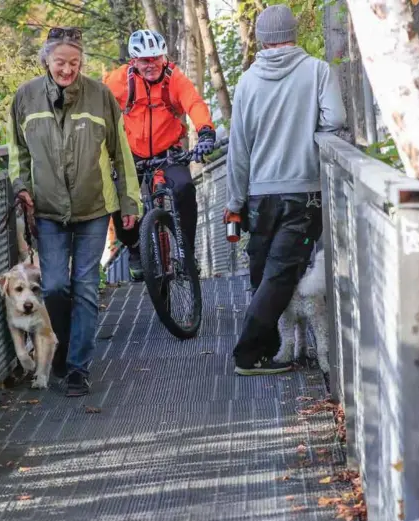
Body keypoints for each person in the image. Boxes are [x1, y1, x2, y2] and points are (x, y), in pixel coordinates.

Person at [7, 27, 141, 396]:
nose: (67, 69)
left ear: (82, 63)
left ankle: (78, 367)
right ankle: (62, 350)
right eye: (60, 62)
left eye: (75, 63)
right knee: (53, 286)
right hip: (48, 210)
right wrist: (21, 187)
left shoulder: (100, 96)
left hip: (94, 207)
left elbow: (121, 153)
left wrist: (130, 202)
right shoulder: (25, 97)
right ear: (46, 61)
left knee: (83, 286)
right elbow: (16, 151)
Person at [224, 5, 346, 375]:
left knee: (263, 271)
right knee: (280, 274)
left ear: (262, 39)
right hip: (304, 192)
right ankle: (250, 354)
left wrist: (235, 201)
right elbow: (336, 119)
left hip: (260, 195)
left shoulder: (247, 81)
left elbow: (238, 149)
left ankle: (265, 351)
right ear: (293, 33)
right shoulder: (317, 71)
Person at [103, 30, 216, 281]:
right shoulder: (120, 80)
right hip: (131, 153)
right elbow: (98, 108)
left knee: (185, 188)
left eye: (156, 58)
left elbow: (194, 103)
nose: (151, 64)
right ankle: (134, 247)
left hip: (168, 151)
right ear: (134, 61)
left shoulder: (173, 77)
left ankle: (187, 250)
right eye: (145, 60)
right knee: (118, 200)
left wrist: (206, 132)